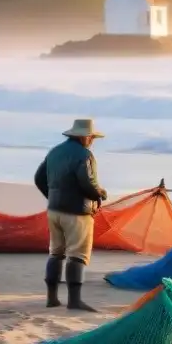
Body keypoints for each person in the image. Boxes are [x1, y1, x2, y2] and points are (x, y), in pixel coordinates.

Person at [34, 118, 109, 312]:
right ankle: (74, 301)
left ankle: (52, 298)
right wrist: (99, 193)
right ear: (85, 137)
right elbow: (86, 182)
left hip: (54, 210)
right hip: (77, 212)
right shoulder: (85, 155)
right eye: (91, 137)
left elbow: (39, 178)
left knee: (56, 252)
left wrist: (52, 196)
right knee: (77, 254)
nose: (92, 141)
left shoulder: (55, 151)